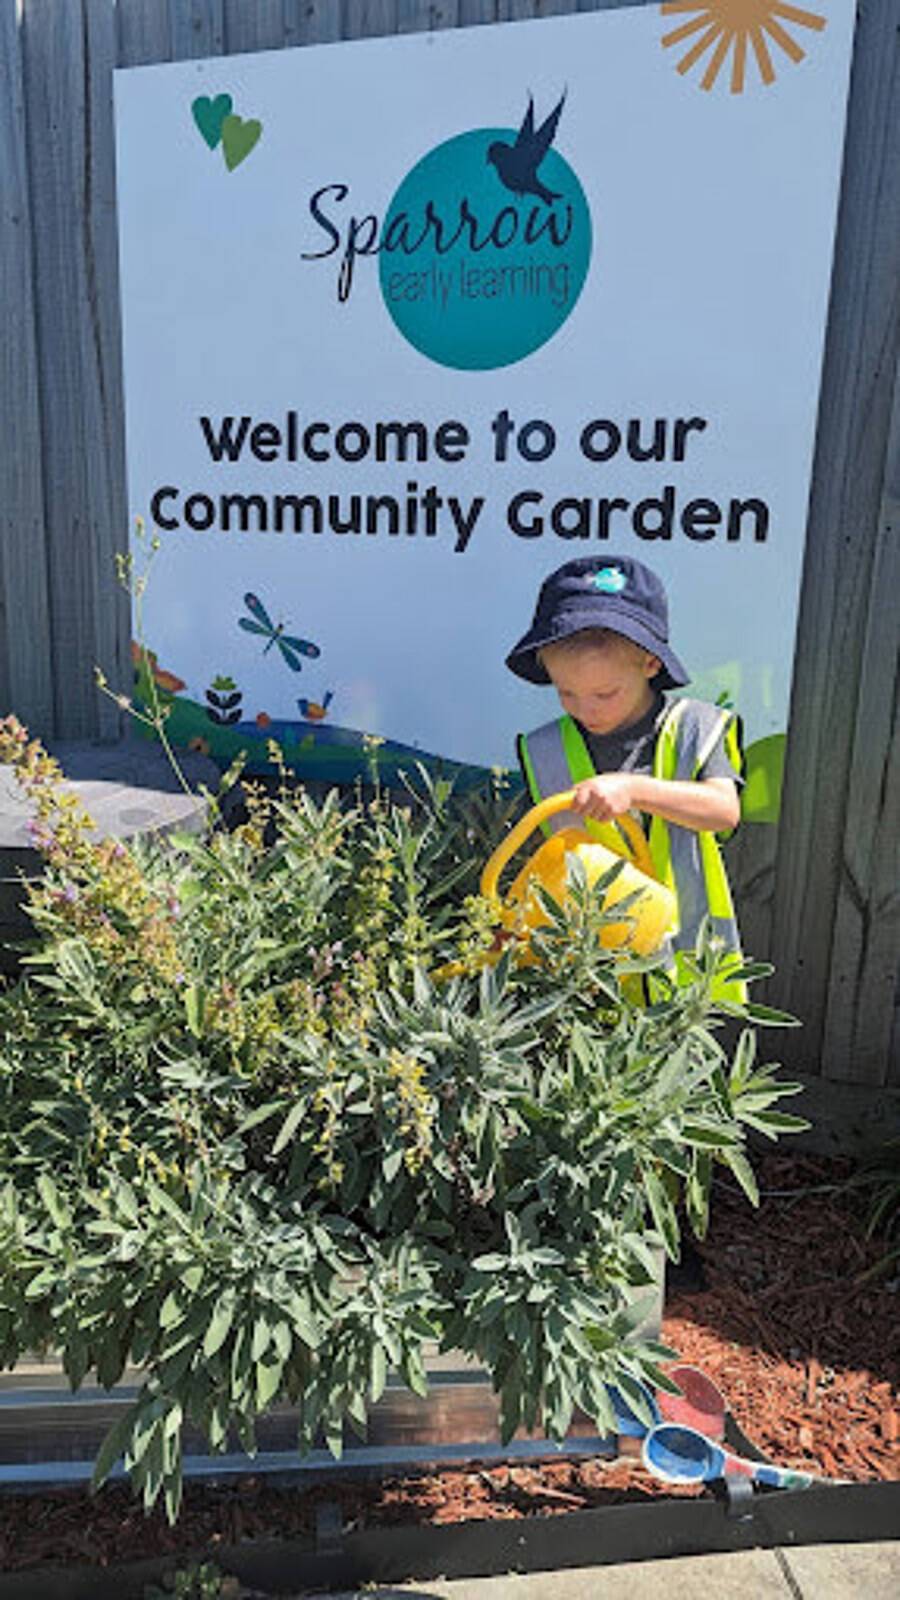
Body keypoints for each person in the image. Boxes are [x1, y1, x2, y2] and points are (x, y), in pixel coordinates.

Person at [505, 555, 744, 989]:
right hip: (588, 973)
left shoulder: (697, 728)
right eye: (566, 693)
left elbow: (724, 811)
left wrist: (634, 789)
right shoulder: (545, 748)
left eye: (605, 693)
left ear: (651, 664)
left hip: (686, 971)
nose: (585, 709)